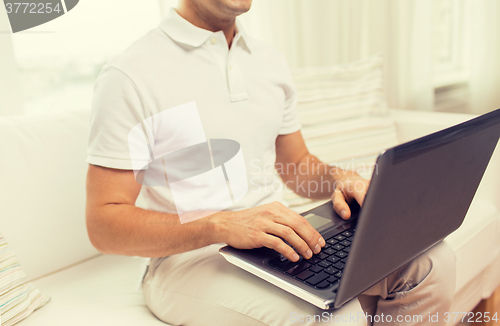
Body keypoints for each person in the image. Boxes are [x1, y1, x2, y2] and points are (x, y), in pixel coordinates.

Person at [85, 0, 456, 325]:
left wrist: (336, 178)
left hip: (276, 242)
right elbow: (104, 224)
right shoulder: (131, 74)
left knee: (432, 262)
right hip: (185, 261)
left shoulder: (268, 62)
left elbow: (296, 165)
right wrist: (219, 224)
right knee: (332, 315)